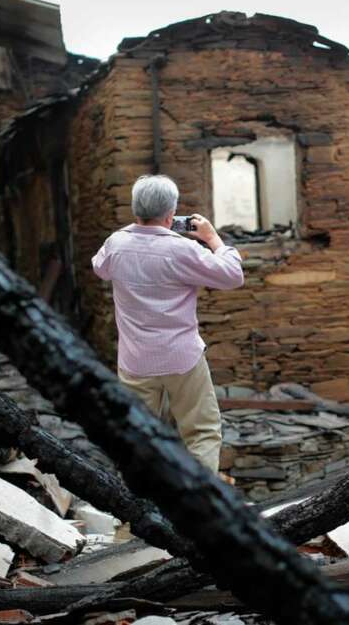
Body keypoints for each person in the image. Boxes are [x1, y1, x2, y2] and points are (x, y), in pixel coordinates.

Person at [91, 174, 244, 473]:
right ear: (172, 214)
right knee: (201, 433)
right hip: (182, 358)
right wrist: (212, 238)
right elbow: (232, 275)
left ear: (136, 209)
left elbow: (100, 268)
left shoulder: (116, 244)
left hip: (136, 360)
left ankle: (141, 511)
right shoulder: (183, 249)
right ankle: (198, 510)